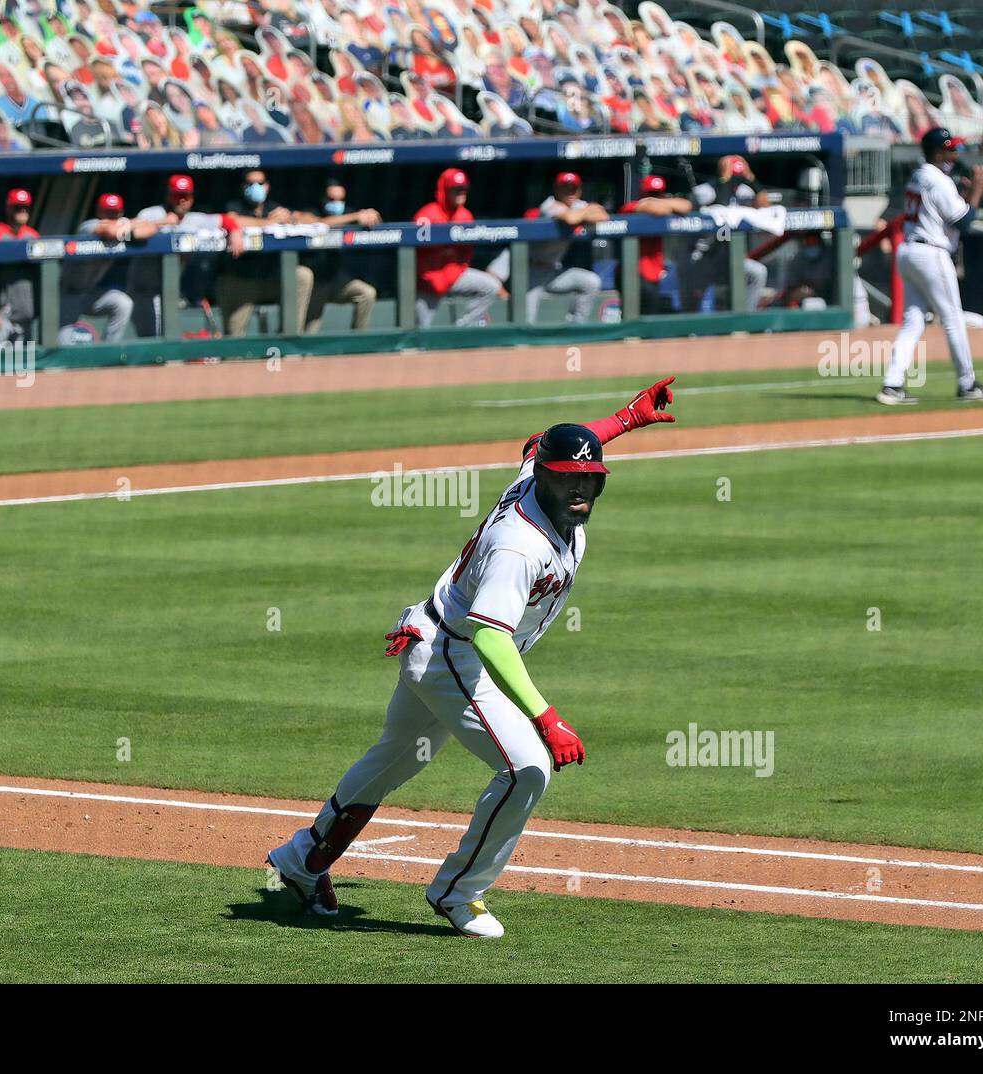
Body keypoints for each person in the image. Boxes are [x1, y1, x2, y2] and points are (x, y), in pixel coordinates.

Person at [265, 379, 678, 937]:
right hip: (453, 654)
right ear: (547, 479)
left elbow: (542, 444)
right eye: (567, 477)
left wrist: (625, 419)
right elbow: (490, 638)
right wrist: (545, 716)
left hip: (434, 636)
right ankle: (459, 894)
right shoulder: (519, 545)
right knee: (525, 767)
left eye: (590, 477)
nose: (579, 486)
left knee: (394, 759)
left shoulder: (539, 476)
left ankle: (302, 861)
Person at [877, 128, 983, 405]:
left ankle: (892, 384)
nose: (955, 154)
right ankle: (967, 384)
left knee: (913, 321)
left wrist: (969, 193)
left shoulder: (920, 175)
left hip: (909, 250)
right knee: (953, 320)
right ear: (937, 153)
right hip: (931, 254)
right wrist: (978, 190)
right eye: (950, 149)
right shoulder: (938, 180)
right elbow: (964, 222)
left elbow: (946, 211)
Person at [131, 173, 244, 336]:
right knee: (150, 340)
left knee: (167, 339)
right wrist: (162, 223)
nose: (182, 200)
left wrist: (235, 232)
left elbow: (226, 219)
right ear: (169, 195)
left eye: (185, 196)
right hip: (143, 290)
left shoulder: (194, 219)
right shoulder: (151, 214)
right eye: (177, 196)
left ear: (191, 198)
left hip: (169, 291)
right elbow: (133, 231)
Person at [218, 169, 315, 336]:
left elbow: (310, 218)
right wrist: (268, 223)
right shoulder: (235, 205)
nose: (256, 187)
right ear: (243, 187)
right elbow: (231, 219)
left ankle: (290, 336)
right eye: (250, 184)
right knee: (233, 346)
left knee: (302, 275)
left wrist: (290, 218)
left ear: (267, 186)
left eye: (260, 183)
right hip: (241, 282)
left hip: (271, 280)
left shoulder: (273, 207)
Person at [58, 193, 159, 345]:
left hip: (90, 294)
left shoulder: (122, 223)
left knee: (123, 303)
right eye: (107, 212)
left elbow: (150, 227)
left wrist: (131, 229)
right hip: (67, 294)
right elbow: (110, 232)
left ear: (121, 212)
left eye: (115, 212)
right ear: (99, 211)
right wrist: (132, 231)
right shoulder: (88, 225)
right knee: (63, 349)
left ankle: (108, 351)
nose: (112, 216)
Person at [413, 168, 502, 328]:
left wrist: (455, 271)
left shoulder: (465, 216)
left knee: (491, 286)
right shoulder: (426, 215)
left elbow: (466, 253)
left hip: (453, 275)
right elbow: (417, 253)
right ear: (445, 190)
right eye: (456, 189)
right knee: (420, 335)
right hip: (429, 280)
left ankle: (462, 328)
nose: (461, 193)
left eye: (464, 189)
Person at [684, 155, 769, 313]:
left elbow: (765, 205)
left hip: (728, 258)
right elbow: (721, 208)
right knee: (691, 304)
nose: (736, 184)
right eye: (734, 179)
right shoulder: (706, 191)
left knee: (758, 272)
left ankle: (745, 319)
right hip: (701, 258)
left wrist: (751, 178)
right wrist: (724, 180)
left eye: (739, 179)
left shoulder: (743, 190)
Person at [300, 179, 380, 333]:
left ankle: (359, 343)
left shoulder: (350, 214)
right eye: (332, 200)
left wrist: (370, 216)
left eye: (340, 200)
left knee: (367, 294)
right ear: (323, 199)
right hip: (315, 283)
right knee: (310, 332)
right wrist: (356, 216)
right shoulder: (312, 212)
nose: (337, 204)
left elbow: (371, 220)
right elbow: (318, 222)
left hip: (336, 281)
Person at [526, 172, 605, 324]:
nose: (570, 192)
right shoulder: (548, 205)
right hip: (531, 272)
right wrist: (585, 212)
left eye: (573, 188)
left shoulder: (577, 205)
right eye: (565, 188)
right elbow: (570, 218)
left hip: (554, 271)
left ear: (580, 190)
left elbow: (602, 215)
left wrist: (585, 210)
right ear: (556, 190)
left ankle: (576, 326)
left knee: (591, 282)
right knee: (526, 322)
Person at [621, 174, 694, 314]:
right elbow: (657, 209)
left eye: (658, 193)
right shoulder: (630, 207)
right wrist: (661, 203)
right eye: (651, 193)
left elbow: (686, 205)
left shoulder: (662, 203)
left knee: (650, 314)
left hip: (653, 271)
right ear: (642, 193)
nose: (655, 197)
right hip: (633, 272)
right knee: (634, 315)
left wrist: (660, 201)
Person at [0, 188, 39, 343]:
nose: (23, 211)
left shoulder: (33, 236)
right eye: (18, 207)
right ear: (8, 208)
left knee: (25, 365)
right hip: (1, 314)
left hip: (26, 316)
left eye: (26, 207)